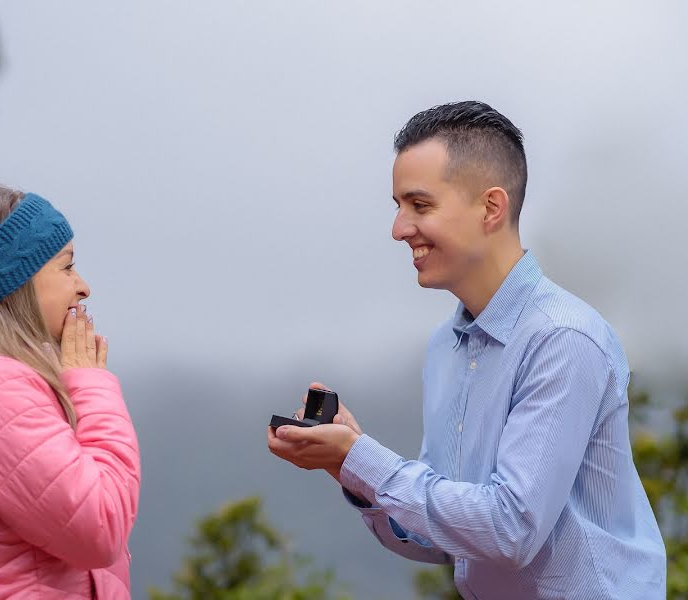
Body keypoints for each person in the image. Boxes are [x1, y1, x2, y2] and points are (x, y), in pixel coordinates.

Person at [267, 101, 666, 599]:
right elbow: (448, 534)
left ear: (491, 208)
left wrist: (364, 459)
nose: (398, 228)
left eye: (420, 205)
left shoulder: (563, 338)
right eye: (397, 206)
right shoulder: (446, 348)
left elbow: (510, 531)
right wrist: (348, 468)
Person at [0, 184, 140, 599]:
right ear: (17, 280)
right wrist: (91, 384)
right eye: (67, 267)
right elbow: (99, 528)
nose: (84, 287)